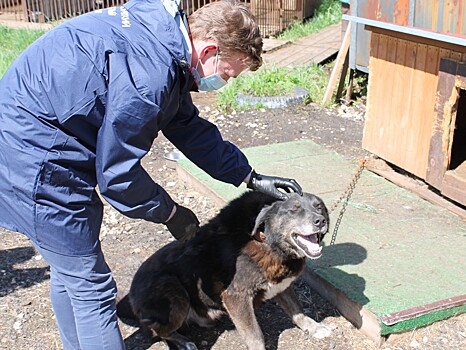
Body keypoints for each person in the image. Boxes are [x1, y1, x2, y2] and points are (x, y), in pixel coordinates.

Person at [0, 0, 303, 349]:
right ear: (207, 50)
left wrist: (249, 175)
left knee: (71, 269)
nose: (225, 82)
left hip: (38, 134)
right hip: (35, 156)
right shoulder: (147, 77)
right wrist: (169, 213)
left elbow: (186, 124)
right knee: (91, 285)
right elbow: (118, 176)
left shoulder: (162, 39)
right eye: (229, 73)